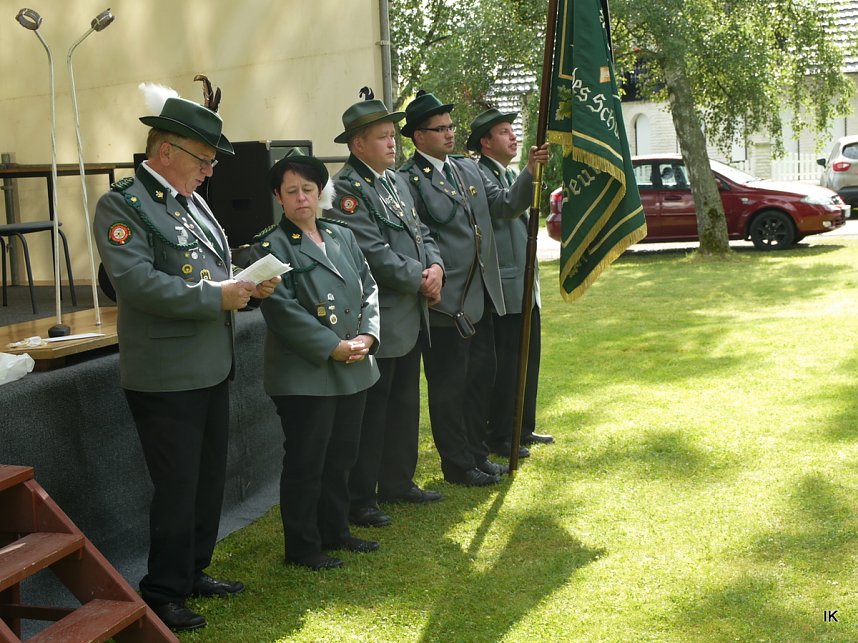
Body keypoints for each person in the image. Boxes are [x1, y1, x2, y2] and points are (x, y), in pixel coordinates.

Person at [94, 91, 280, 632]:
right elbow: (137, 284)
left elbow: (212, 265)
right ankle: (162, 590)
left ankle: (194, 569)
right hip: (165, 373)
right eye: (204, 158)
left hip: (208, 363)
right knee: (177, 486)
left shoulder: (190, 198)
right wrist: (216, 297)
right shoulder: (124, 204)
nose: (210, 170)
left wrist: (250, 284)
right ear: (167, 149)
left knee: (205, 479)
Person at [398, 91, 550, 486]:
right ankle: (457, 464)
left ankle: (478, 456)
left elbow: (502, 207)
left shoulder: (466, 171)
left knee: (479, 379)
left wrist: (531, 171)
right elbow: (419, 236)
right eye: (440, 128)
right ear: (418, 136)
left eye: (450, 127)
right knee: (449, 388)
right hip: (446, 302)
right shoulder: (408, 180)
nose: (450, 134)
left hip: (481, 299)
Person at [250, 148, 381, 571]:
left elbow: (368, 286)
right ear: (279, 196)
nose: (301, 197)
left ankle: (336, 531)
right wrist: (333, 346)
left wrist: (367, 335)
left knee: (343, 453)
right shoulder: (270, 247)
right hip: (305, 373)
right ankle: (303, 547)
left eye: (308, 188)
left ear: (320, 191)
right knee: (308, 459)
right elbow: (282, 311)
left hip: (353, 363)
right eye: (291, 191)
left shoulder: (341, 235)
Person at [328, 92, 445, 528]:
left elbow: (422, 232)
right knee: (373, 413)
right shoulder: (347, 190)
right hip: (379, 316)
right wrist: (420, 277)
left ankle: (397, 481)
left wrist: (435, 267)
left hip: (410, 313)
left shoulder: (393, 181)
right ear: (358, 145)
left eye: (393, 136)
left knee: (403, 403)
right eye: (383, 137)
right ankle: (363, 497)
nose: (393, 144)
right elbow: (372, 253)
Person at [467, 108, 555, 456]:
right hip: (504, 288)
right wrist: (532, 170)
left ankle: (523, 428)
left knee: (527, 359)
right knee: (507, 365)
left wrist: (530, 173)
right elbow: (505, 206)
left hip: (524, 284)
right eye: (504, 132)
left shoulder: (508, 172)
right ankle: (501, 434)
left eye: (512, 130)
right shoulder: (481, 175)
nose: (513, 136)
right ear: (486, 143)